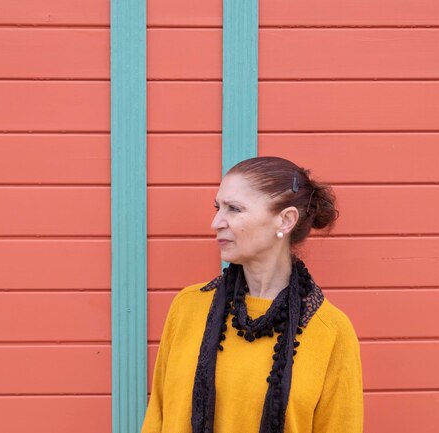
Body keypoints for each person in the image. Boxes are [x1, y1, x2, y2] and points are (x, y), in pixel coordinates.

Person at [141, 156, 363, 433]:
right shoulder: (188, 307)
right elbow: (157, 419)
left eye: (234, 209)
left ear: (285, 220)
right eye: (217, 207)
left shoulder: (330, 330)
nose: (216, 222)